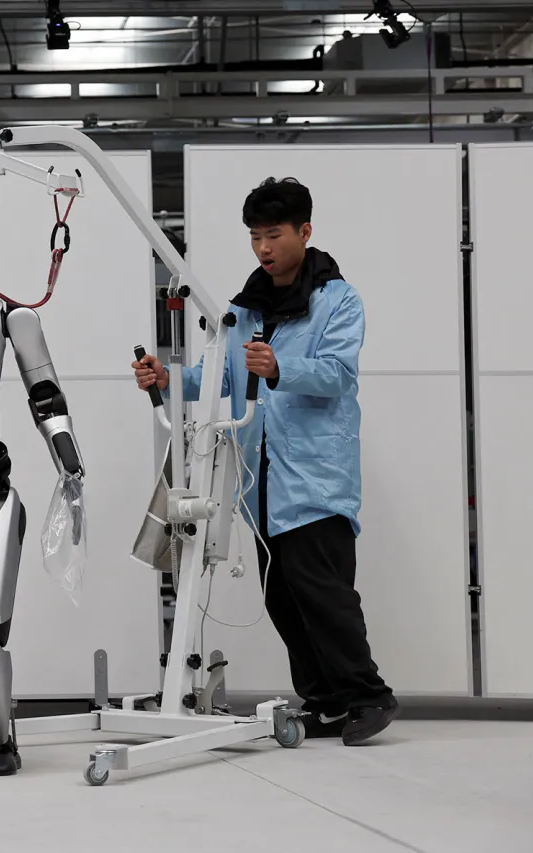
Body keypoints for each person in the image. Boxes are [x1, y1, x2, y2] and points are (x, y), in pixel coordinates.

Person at [132, 177, 398, 746]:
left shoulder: (338, 301)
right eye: (255, 237)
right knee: (284, 599)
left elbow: (338, 374)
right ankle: (325, 702)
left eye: (274, 235)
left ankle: (369, 695)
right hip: (261, 481)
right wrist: (169, 379)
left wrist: (279, 368)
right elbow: (221, 378)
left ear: (305, 231)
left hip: (316, 479)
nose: (263, 248)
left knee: (324, 596)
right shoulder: (242, 310)